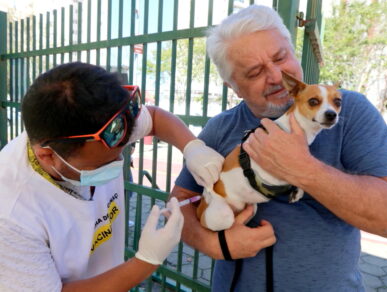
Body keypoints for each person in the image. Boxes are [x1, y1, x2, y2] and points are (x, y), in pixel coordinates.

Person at [171, 4, 387, 292]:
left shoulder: (348, 113)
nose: (276, 76)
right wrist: (212, 243)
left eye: (281, 57)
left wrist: (303, 168)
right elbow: (181, 200)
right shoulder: (221, 128)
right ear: (233, 87)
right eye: (254, 72)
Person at [0, 62, 224, 291]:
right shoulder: (11, 214)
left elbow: (154, 118)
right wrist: (146, 261)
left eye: (121, 152)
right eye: (102, 164)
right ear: (47, 156)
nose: (118, 165)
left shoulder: (104, 127)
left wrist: (192, 148)